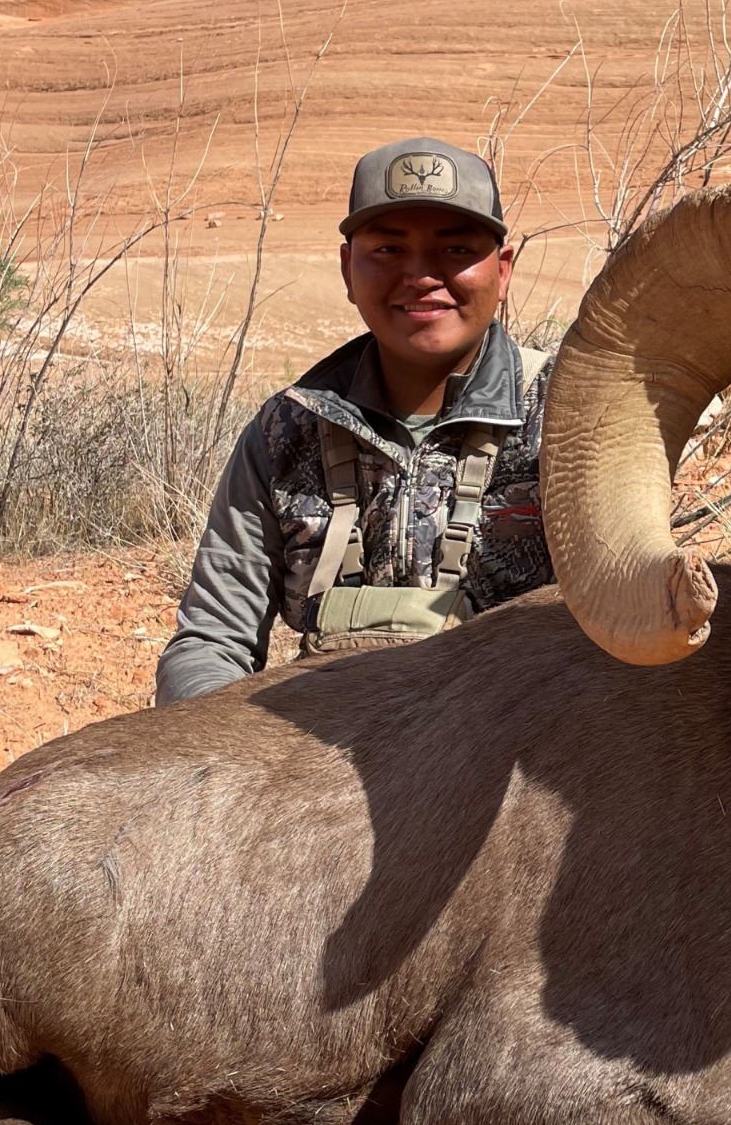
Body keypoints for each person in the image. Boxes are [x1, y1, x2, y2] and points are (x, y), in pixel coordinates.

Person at [156, 136, 553, 702]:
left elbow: (625, 626)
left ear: (503, 270)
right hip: (318, 741)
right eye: (389, 249)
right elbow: (212, 639)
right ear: (347, 269)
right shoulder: (285, 429)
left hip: (518, 738)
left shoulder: (568, 419)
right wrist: (214, 744)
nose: (421, 275)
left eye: (456, 249)